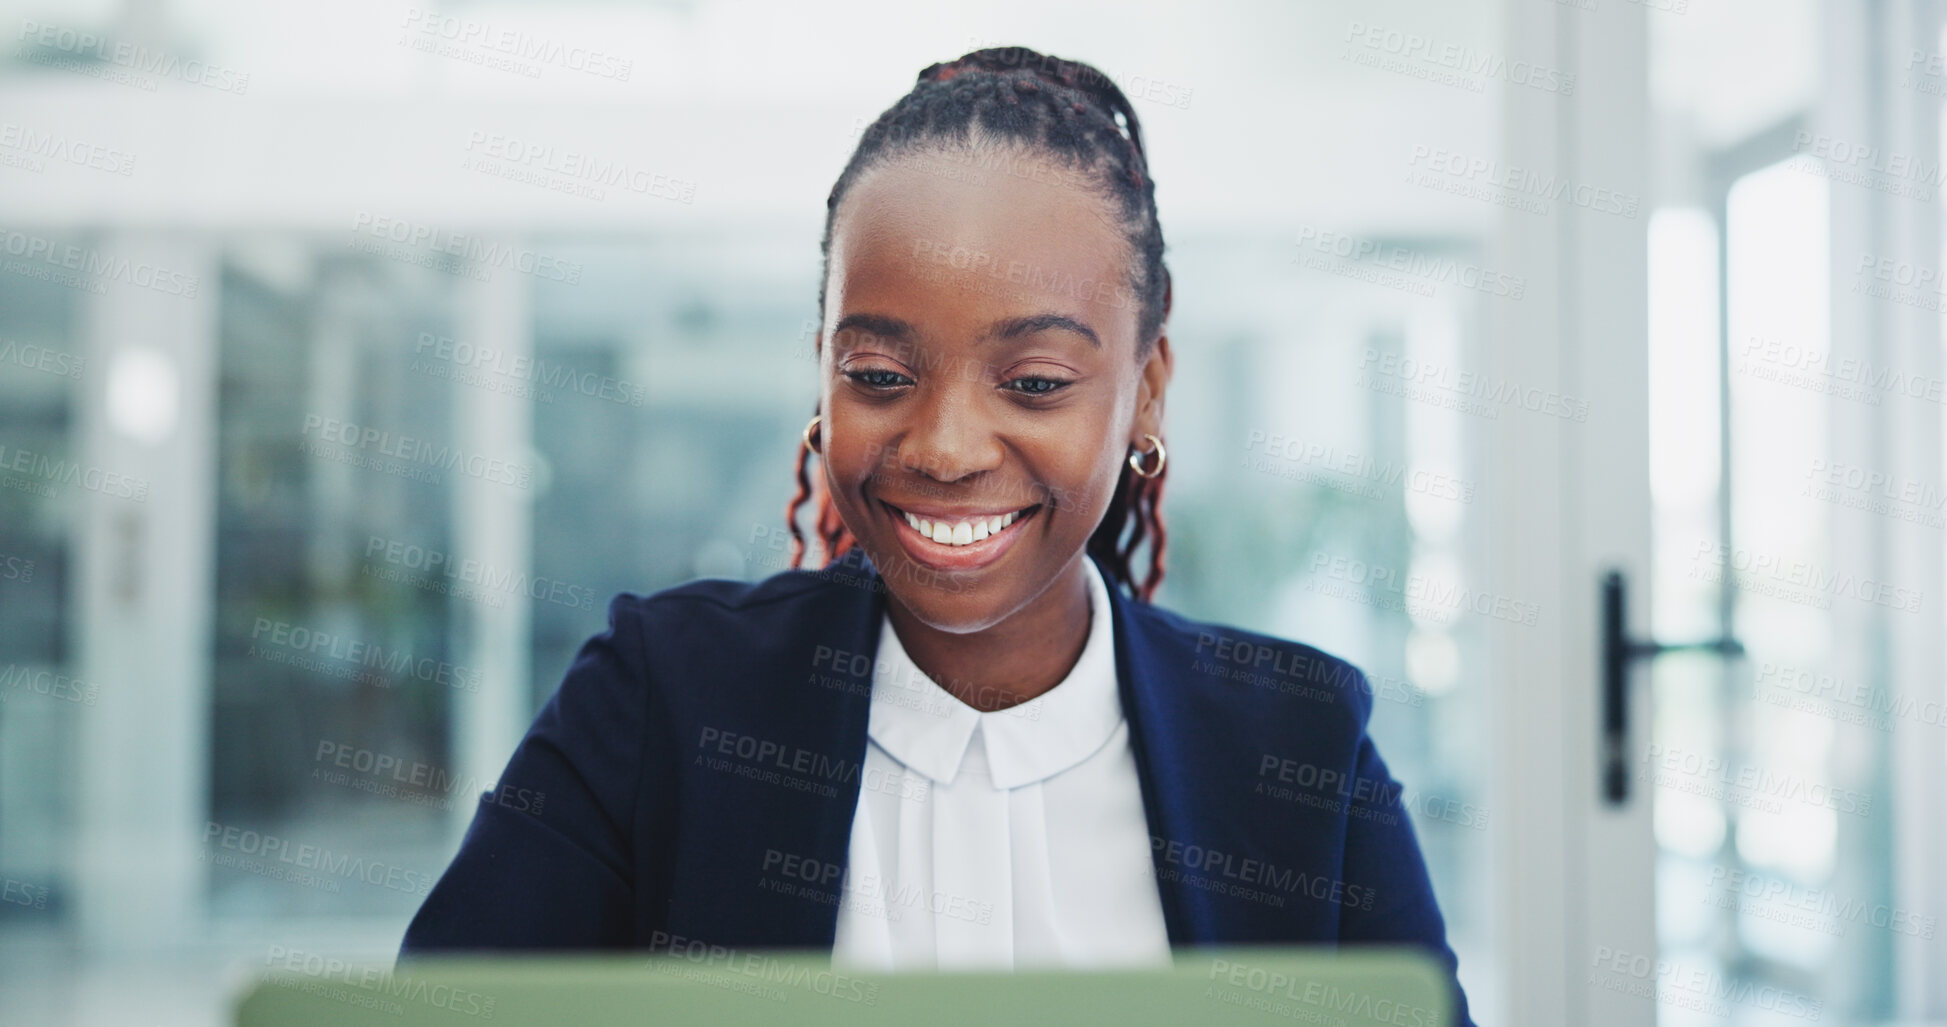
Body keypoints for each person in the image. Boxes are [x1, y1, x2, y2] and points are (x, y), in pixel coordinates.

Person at [400, 45, 1475, 1026]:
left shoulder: (1301, 745)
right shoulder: (662, 699)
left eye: (1036, 382)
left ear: (1146, 392)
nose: (948, 446)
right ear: (823, 370)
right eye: (879, 375)